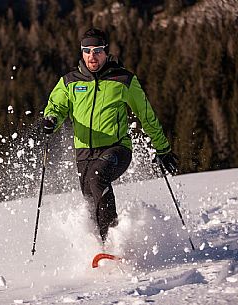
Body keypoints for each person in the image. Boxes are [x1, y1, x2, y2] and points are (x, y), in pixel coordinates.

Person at [42, 28, 178, 244]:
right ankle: (97, 248)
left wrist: (163, 149)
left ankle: (112, 243)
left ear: (106, 52)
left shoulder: (123, 80)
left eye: (97, 50)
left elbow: (147, 116)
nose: (92, 56)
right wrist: (51, 120)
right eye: (87, 50)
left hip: (117, 148)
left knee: (98, 178)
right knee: (90, 199)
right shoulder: (70, 81)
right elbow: (56, 107)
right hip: (84, 151)